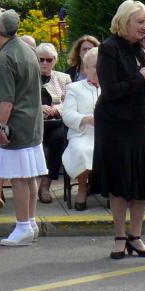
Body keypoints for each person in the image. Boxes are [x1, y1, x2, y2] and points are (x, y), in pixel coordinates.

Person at [92, 0, 145, 259]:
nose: (144, 27)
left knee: (142, 182)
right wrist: (140, 77)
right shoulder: (109, 48)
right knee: (120, 183)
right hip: (115, 124)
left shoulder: (141, 49)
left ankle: (136, 237)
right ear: (125, 22)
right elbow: (111, 91)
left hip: (141, 122)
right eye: (140, 22)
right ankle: (119, 237)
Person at [0, 10, 45, 247]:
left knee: (19, 178)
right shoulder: (27, 50)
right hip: (32, 122)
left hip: (17, 124)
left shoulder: (6, 56)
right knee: (29, 176)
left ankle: (22, 226)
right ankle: (30, 223)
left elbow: (7, 100)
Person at [61, 46, 100, 210]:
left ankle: (114, 191)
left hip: (107, 135)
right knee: (83, 151)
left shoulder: (113, 87)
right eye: (96, 66)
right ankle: (82, 187)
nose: (100, 70)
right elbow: (67, 115)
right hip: (81, 134)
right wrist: (87, 119)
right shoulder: (75, 88)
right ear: (86, 69)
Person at [35, 42, 70, 204]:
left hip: (56, 122)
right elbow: (20, 100)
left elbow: (70, 101)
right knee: (35, 144)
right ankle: (31, 186)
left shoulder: (63, 78)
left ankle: (45, 185)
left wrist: (55, 109)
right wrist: (38, 108)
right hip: (34, 123)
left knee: (59, 139)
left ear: (54, 61)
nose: (44, 63)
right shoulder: (28, 77)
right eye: (41, 59)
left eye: (49, 60)